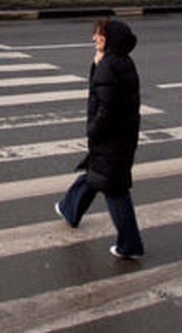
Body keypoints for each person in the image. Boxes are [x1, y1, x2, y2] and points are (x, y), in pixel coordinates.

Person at [55, 17, 145, 259]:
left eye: (98, 35)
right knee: (98, 174)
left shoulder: (108, 66)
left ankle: (130, 244)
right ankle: (69, 208)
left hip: (110, 136)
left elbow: (106, 105)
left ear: (108, 39)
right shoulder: (124, 62)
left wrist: (93, 130)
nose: (94, 38)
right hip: (123, 135)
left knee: (114, 188)